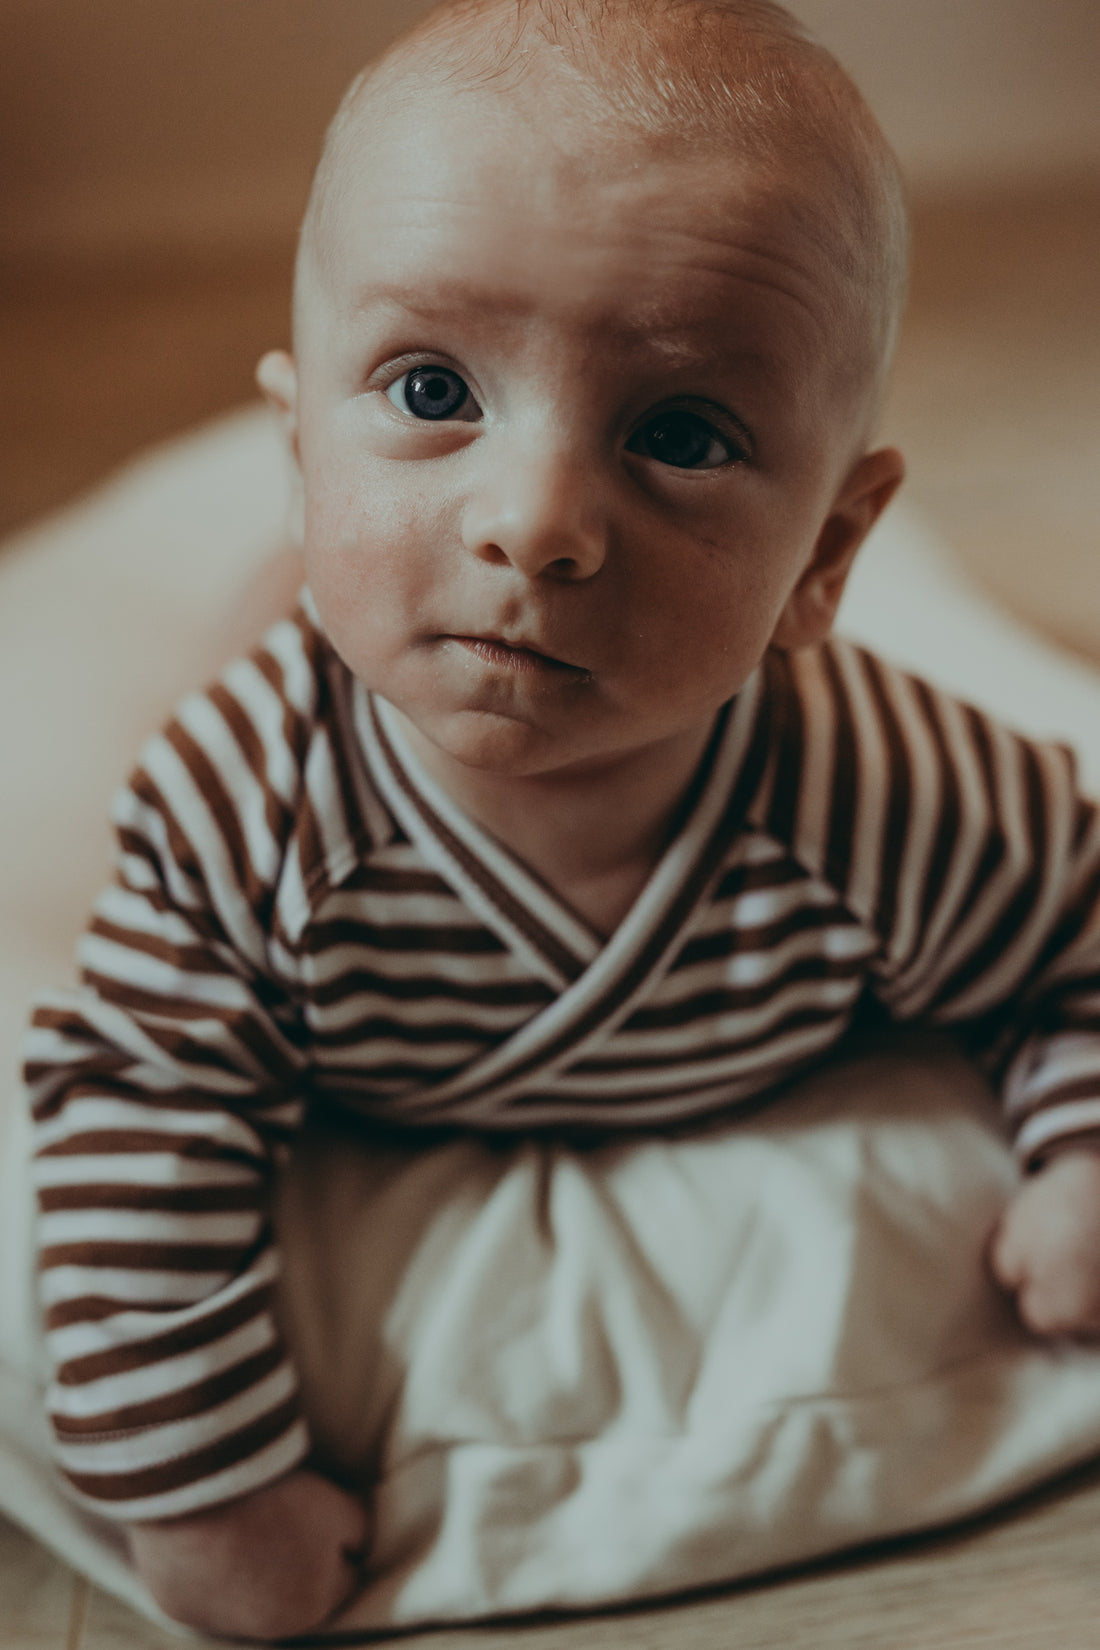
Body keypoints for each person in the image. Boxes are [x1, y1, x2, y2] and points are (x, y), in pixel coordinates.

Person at [23, 0, 1100, 1638]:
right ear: (300, 439)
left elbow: (1078, 930)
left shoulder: (887, 796)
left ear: (827, 551)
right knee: (255, 631)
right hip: (291, 664)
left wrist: (1082, 1150)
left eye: (680, 434)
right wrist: (207, 1491)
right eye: (431, 387)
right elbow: (127, 1123)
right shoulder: (243, 810)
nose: (535, 523)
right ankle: (273, 574)